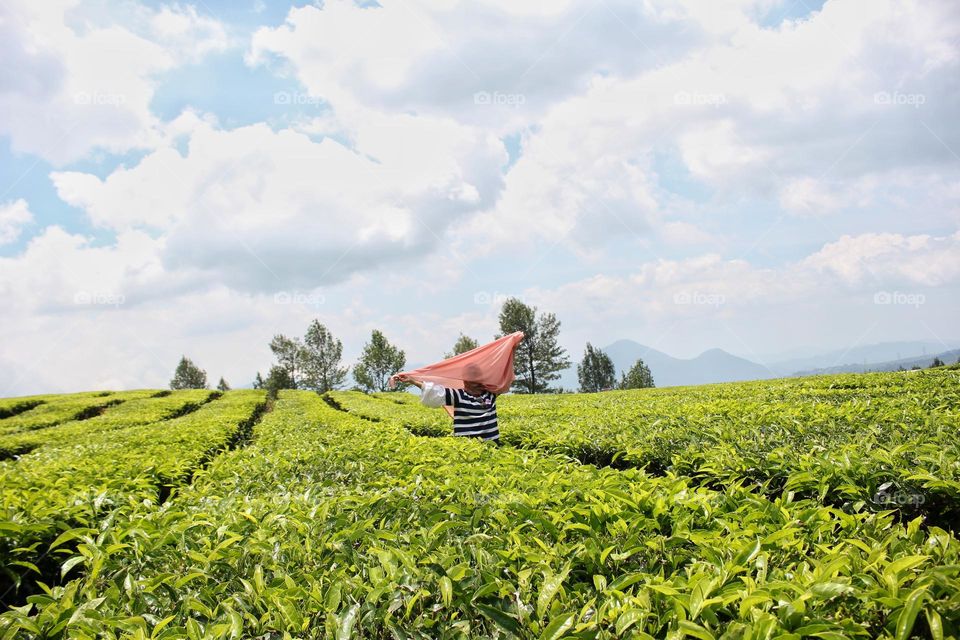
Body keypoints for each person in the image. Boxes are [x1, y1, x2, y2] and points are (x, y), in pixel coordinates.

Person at [397, 363, 502, 445]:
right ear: (465, 379)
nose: (474, 379)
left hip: (492, 446)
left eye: (476, 375)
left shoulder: (490, 394)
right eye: (470, 376)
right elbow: (435, 392)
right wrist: (413, 381)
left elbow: (504, 378)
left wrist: (512, 347)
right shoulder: (459, 395)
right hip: (467, 448)